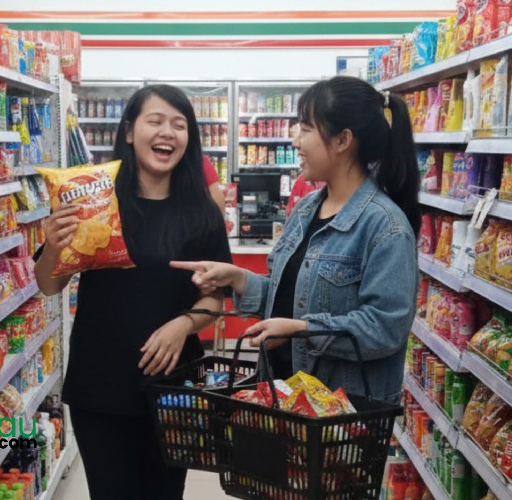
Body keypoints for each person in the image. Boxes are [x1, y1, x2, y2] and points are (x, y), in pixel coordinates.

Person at [34, 85, 231, 499]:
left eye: (179, 125)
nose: (168, 132)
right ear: (128, 131)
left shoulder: (202, 213)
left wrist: (183, 325)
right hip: (100, 385)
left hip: (172, 387)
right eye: (155, 121)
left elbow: (215, 299)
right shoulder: (94, 203)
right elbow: (49, 284)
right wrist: (53, 244)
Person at [172, 76, 420, 404]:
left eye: (305, 129)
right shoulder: (306, 209)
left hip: (340, 413)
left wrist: (303, 329)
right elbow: (289, 298)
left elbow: (386, 328)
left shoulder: (385, 226)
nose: (295, 141)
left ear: (343, 140)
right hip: (284, 397)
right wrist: (238, 279)